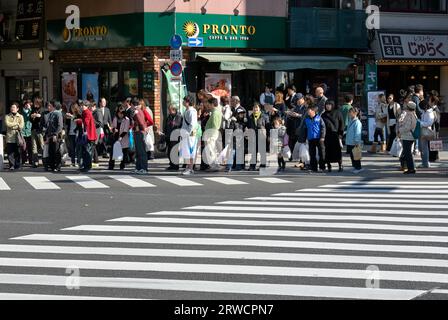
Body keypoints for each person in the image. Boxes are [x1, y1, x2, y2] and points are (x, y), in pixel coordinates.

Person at [322, 100, 344, 172]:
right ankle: (329, 165)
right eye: (327, 104)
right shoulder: (323, 115)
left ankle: (340, 165)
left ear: (333, 105)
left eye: (329, 104)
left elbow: (341, 124)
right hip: (327, 136)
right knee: (327, 151)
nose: (328, 106)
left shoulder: (338, 113)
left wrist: (340, 134)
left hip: (335, 136)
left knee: (337, 151)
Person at [303, 105, 326, 173]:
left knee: (321, 153)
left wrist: (322, 137)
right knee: (312, 154)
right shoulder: (306, 119)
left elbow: (323, 128)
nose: (308, 112)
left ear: (313, 111)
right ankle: (314, 168)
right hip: (310, 138)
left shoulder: (319, 118)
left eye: (309, 110)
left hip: (319, 138)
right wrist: (304, 139)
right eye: (308, 111)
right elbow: (305, 130)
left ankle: (322, 167)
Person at [247, 103, 269, 171]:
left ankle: (263, 165)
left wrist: (268, 136)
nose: (255, 109)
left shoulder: (264, 116)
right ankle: (252, 166)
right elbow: (248, 126)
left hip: (262, 136)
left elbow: (268, 127)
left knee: (262, 151)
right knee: (253, 151)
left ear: (260, 109)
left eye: (256, 107)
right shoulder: (250, 117)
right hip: (253, 136)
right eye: (254, 108)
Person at [397, 101, 418, 175]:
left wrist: (400, 130)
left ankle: (411, 169)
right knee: (408, 153)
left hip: (408, 136)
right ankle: (411, 167)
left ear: (409, 107)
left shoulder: (410, 115)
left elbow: (407, 127)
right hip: (408, 136)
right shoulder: (412, 114)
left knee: (408, 153)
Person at [226, 105, 248, 172]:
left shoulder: (243, 122)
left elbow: (245, 130)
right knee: (232, 153)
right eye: (241, 114)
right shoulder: (234, 121)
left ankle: (238, 167)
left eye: (243, 114)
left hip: (241, 140)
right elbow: (230, 131)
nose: (242, 115)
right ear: (238, 114)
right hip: (234, 140)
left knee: (239, 153)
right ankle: (229, 166)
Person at [181, 96, 199, 176]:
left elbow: (192, 124)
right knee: (187, 151)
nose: (183, 102)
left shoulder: (192, 111)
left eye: (184, 101)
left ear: (188, 102)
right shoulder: (188, 110)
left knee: (190, 151)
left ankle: (190, 168)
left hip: (190, 135)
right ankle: (189, 167)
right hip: (187, 134)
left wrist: (187, 133)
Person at [204, 97, 223, 172]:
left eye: (208, 104)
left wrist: (210, 137)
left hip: (211, 134)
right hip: (212, 134)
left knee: (211, 151)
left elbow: (215, 126)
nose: (207, 105)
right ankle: (215, 165)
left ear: (212, 104)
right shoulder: (217, 112)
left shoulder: (215, 113)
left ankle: (214, 166)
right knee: (212, 150)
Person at [285, 93, 306, 162]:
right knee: (292, 142)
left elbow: (306, 116)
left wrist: (298, 115)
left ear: (303, 99)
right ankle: (292, 156)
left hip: (302, 127)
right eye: (297, 100)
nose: (298, 101)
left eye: (299, 99)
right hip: (293, 128)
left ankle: (301, 159)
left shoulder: (305, 107)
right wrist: (290, 114)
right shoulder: (295, 107)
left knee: (300, 143)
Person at [45, 101, 64, 172]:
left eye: (50, 106)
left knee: (56, 151)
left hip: (56, 136)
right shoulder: (51, 114)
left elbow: (60, 126)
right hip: (50, 135)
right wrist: (47, 136)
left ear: (53, 106)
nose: (48, 107)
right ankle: (52, 166)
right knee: (51, 151)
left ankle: (58, 166)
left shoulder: (58, 114)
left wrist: (55, 135)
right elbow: (48, 126)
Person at [132, 98, 148, 175]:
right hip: (138, 132)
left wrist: (143, 129)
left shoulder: (137, 111)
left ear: (132, 104)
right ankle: (138, 167)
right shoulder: (138, 110)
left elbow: (141, 122)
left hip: (139, 132)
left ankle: (143, 168)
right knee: (138, 151)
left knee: (141, 151)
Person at [5, 103, 24, 171]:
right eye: (11, 107)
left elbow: (21, 126)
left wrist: (14, 125)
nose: (12, 108)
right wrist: (16, 123)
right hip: (10, 136)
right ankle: (11, 165)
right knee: (10, 152)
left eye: (14, 107)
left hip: (17, 136)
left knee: (18, 151)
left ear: (17, 109)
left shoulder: (20, 116)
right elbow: (8, 124)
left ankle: (17, 165)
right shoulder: (7, 116)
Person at [164, 104, 183, 171]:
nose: (169, 111)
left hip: (175, 136)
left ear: (174, 110)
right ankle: (171, 164)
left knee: (174, 151)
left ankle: (175, 166)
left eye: (170, 110)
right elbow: (166, 125)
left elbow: (177, 125)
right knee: (169, 151)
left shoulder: (178, 116)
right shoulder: (169, 116)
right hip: (169, 136)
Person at [80, 101, 97, 173]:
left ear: (86, 106)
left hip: (89, 135)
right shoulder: (87, 112)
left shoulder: (86, 112)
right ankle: (86, 165)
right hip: (89, 135)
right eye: (81, 105)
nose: (81, 107)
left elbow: (85, 123)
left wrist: (78, 120)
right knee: (86, 151)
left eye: (82, 105)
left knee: (87, 151)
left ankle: (87, 166)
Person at [345, 107, 363, 174]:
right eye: (349, 112)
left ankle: (358, 167)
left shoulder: (357, 122)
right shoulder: (350, 120)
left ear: (355, 113)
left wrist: (356, 141)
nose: (349, 113)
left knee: (356, 155)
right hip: (350, 141)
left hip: (354, 142)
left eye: (351, 112)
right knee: (352, 155)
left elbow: (357, 133)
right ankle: (354, 166)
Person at [418, 100, 435, 169]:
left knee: (424, 148)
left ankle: (425, 163)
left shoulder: (429, 113)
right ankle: (424, 162)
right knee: (421, 148)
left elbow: (429, 123)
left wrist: (420, 123)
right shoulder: (425, 112)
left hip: (426, 131)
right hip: (423, 131)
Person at [65, 103, 82, 167]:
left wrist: (72, 117)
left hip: (76, 133)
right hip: (70, 133)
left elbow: (79, 122)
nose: (72, 109)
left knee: (77, 148)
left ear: (75, 108)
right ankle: (72, 162)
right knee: (72, 148)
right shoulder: (69, 114)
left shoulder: (79, 115)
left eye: (73, 108)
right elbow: (67, 124)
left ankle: (78, 161)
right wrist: (67, 117)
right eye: (71, 108)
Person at [20, 99, 33, 166]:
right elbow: (24, 116)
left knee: (30, 147)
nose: (27, 105)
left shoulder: (31, 111)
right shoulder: (21, 111)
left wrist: (30, 109)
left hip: (30, 130)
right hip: (23, 131)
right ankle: (23, 160)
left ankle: (30, 160)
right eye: (26, 104)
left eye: (29, 104)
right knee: (23, 147)